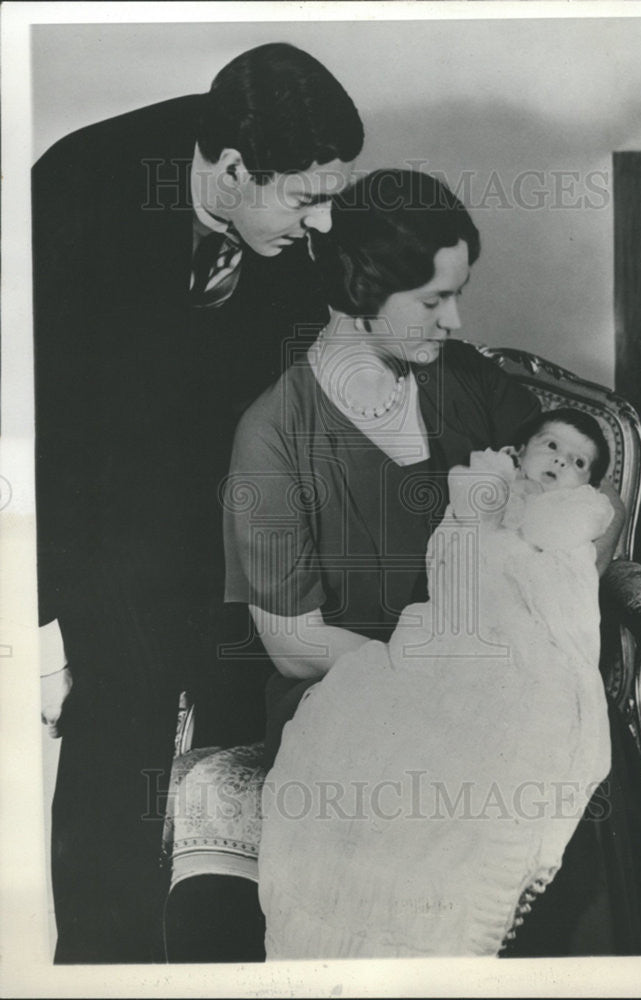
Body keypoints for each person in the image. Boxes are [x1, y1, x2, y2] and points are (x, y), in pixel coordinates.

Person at [214, 169, 641, 959]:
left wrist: (536, 595)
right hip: (355, 686)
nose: (456, 321)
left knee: (565, 771)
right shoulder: (275, 434)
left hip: (503, 672)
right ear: (360, 289)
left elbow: (586, 500)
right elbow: (292, 641)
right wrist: (437, 674)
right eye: (432, 301)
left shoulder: (468, 383)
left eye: (458, 294)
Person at [33, 42, 363, 963]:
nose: (325, 224)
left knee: (241, 720)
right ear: (228, 171)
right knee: (121, 724)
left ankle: (218, 958)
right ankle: (103, 965)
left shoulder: (289, 232)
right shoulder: (72, 195)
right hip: (97, 514)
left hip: (220, 511)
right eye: (306, 198)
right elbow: (37, 431)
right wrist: (44, 623)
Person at [258, 410, 616, 958]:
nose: (561, 462)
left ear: (586, 484)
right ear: (521, 452)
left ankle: (445, 936)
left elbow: (565, 607)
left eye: (578, 462)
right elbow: (448, 565)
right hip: (454, 639)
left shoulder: (571, 520)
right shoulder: (484, 498)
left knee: (501, 749)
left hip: (530, 655)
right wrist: (482, 504)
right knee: (379, 727)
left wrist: (532, 520)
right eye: (551, 446)